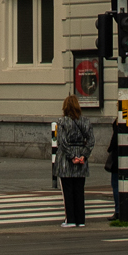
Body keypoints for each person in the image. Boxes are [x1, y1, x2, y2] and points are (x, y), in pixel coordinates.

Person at [53, 94, 91, 228]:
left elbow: (62, 142)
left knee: (67, 191)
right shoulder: (86, 121)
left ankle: (70, 219)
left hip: (66, 161)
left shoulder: (62, 122)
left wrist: (72, 157)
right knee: (79, 190)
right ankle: (81, 220)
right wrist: (83, 156)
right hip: (81, 157)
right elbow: (91, 140)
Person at [103, 102, 128, 224]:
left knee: (117, 185)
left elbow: (115, 140)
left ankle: (120, 211)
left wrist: (110, 149)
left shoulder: (121, 122)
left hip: (120, 159)